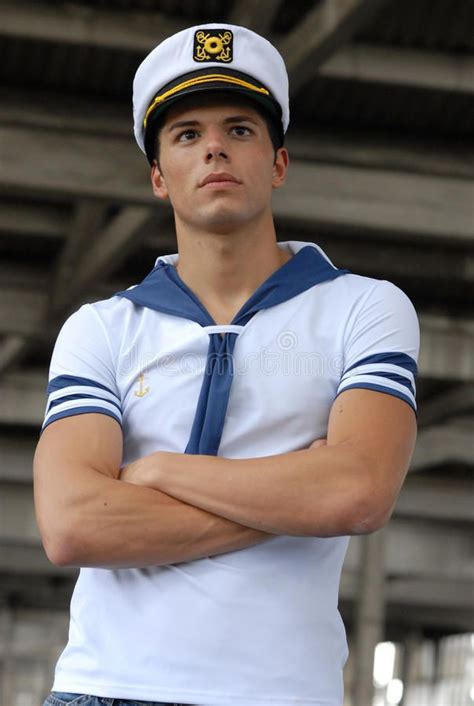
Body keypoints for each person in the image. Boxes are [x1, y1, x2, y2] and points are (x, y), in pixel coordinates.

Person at [34, 22, 419, 706]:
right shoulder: (101, 328)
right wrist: (300, 493)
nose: (214, 146)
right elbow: (72, 525)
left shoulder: (365, 309)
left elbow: (358, 492)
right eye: (187, 135)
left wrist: (157, 474)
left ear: (277, 163)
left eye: (240, 128)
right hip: (105, 689)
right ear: (159, 177)